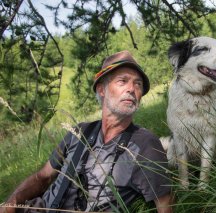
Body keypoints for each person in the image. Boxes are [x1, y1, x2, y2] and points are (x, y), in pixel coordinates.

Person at [1, 50, 173, 213]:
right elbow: (43, 177)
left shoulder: (145, 144)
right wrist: (12, 202)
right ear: (101, 89)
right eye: (122, 81)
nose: (131, 89)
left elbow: (165, 206)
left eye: (138, 84)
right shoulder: (79, 132)